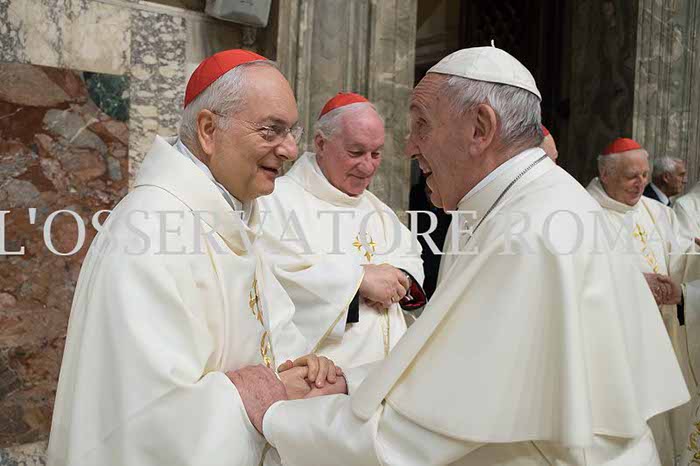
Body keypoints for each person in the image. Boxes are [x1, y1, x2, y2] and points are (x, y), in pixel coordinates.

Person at [228, 46, 689, 465]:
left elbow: (420, 433)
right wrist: (352, 378)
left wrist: (276, 416)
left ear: (480, 129)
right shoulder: (524, 206)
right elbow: (459, 367)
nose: (409, 148)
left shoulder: (526, 233)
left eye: (421, 125)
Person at [47, 49, 339, 466]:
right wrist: (253, 396)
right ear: (208, 130)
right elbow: (142, 424)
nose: (291, 149)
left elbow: (271, 334)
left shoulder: (230, 216)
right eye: (272, 131)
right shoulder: (149, 231)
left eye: (292, 131)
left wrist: (303, 369)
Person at [257, 92, 426, 368]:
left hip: (389, 373)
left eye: (376, 154)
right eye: (356, 152)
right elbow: (273, 280)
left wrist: (400, 281)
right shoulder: (275, 202)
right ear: (321, 143)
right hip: (324, 377)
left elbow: (410, 260)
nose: (368, 166)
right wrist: (358, 283)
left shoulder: (379, 211)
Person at [586, 137, 696, 465]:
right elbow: (584, 273)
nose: (641, 183)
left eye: (645, 175)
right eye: (631, 176)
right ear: (605, 174)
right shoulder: (584, 212)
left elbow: (681, 257)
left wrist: (691, 265)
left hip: (664, 331)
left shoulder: (658, 212)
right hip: (619, 340)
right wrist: (633, 284)